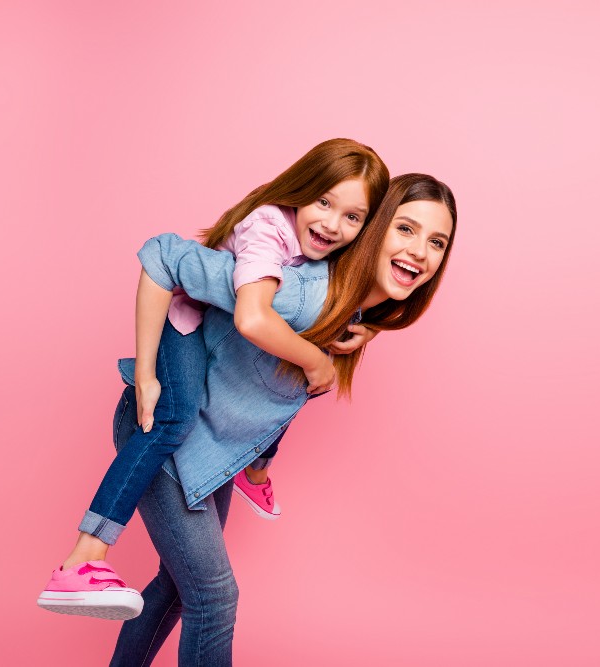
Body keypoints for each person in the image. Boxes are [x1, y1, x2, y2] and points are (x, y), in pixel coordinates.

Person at [107, 174, 457, 665]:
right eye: (405, 229)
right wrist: (147, 371)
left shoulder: (348, 312)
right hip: (162, 432)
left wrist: (368, 330)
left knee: (179, 587)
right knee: (214, 598)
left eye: (436, 241)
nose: (419, 251)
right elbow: (173, 260)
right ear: (373, 229)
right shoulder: (300, 292)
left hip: (211, 445)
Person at [37, 139, 388, 620]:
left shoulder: (327, 263)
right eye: (324, 202)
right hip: (187, 324)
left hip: (225, 365)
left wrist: (364, 325)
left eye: (352, 216)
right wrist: (145, 374)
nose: (331, 223)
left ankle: (256, 468)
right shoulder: (267, 226)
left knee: (276, 379)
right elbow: (251, 318)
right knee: (173, 418)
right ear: (301, 190)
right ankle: (83, 559)